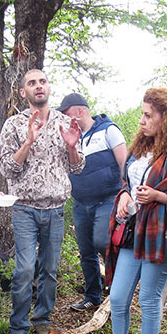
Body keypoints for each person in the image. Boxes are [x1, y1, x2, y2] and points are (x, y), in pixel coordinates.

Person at [90, 87, 167, 334]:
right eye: (142, 114)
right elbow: (127, 181)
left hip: (163, 236)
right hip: (133, 232)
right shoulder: (140, 147)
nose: (142, 121)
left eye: (148, 115)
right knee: (120, 295)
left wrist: (161, 197)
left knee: (149, 299)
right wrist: (124, 195)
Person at [0, 69, 84, 334]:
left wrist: (72, 146)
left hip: (56, 209)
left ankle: (42, 319)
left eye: (43, 81)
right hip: (24, 208)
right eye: (31, 83)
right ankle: (18, 326)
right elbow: (7, 169)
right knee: (24, 269)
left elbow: (77, 166)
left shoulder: (65, 123)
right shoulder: (13, 125)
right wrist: (28, 141)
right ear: (23, 92)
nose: (38, 86)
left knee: (49, 268)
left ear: (49, 87)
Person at [57, 92, 127, 312]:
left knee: (101, 241)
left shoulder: (109, 130)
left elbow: (124, 162)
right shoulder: (71, 137)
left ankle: (117, 289)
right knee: (86, 249)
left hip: (107, 198)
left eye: (67, 114)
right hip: (80, 201)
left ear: (79, 111)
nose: (65, 119)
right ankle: (92, 296)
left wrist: (127, 191)